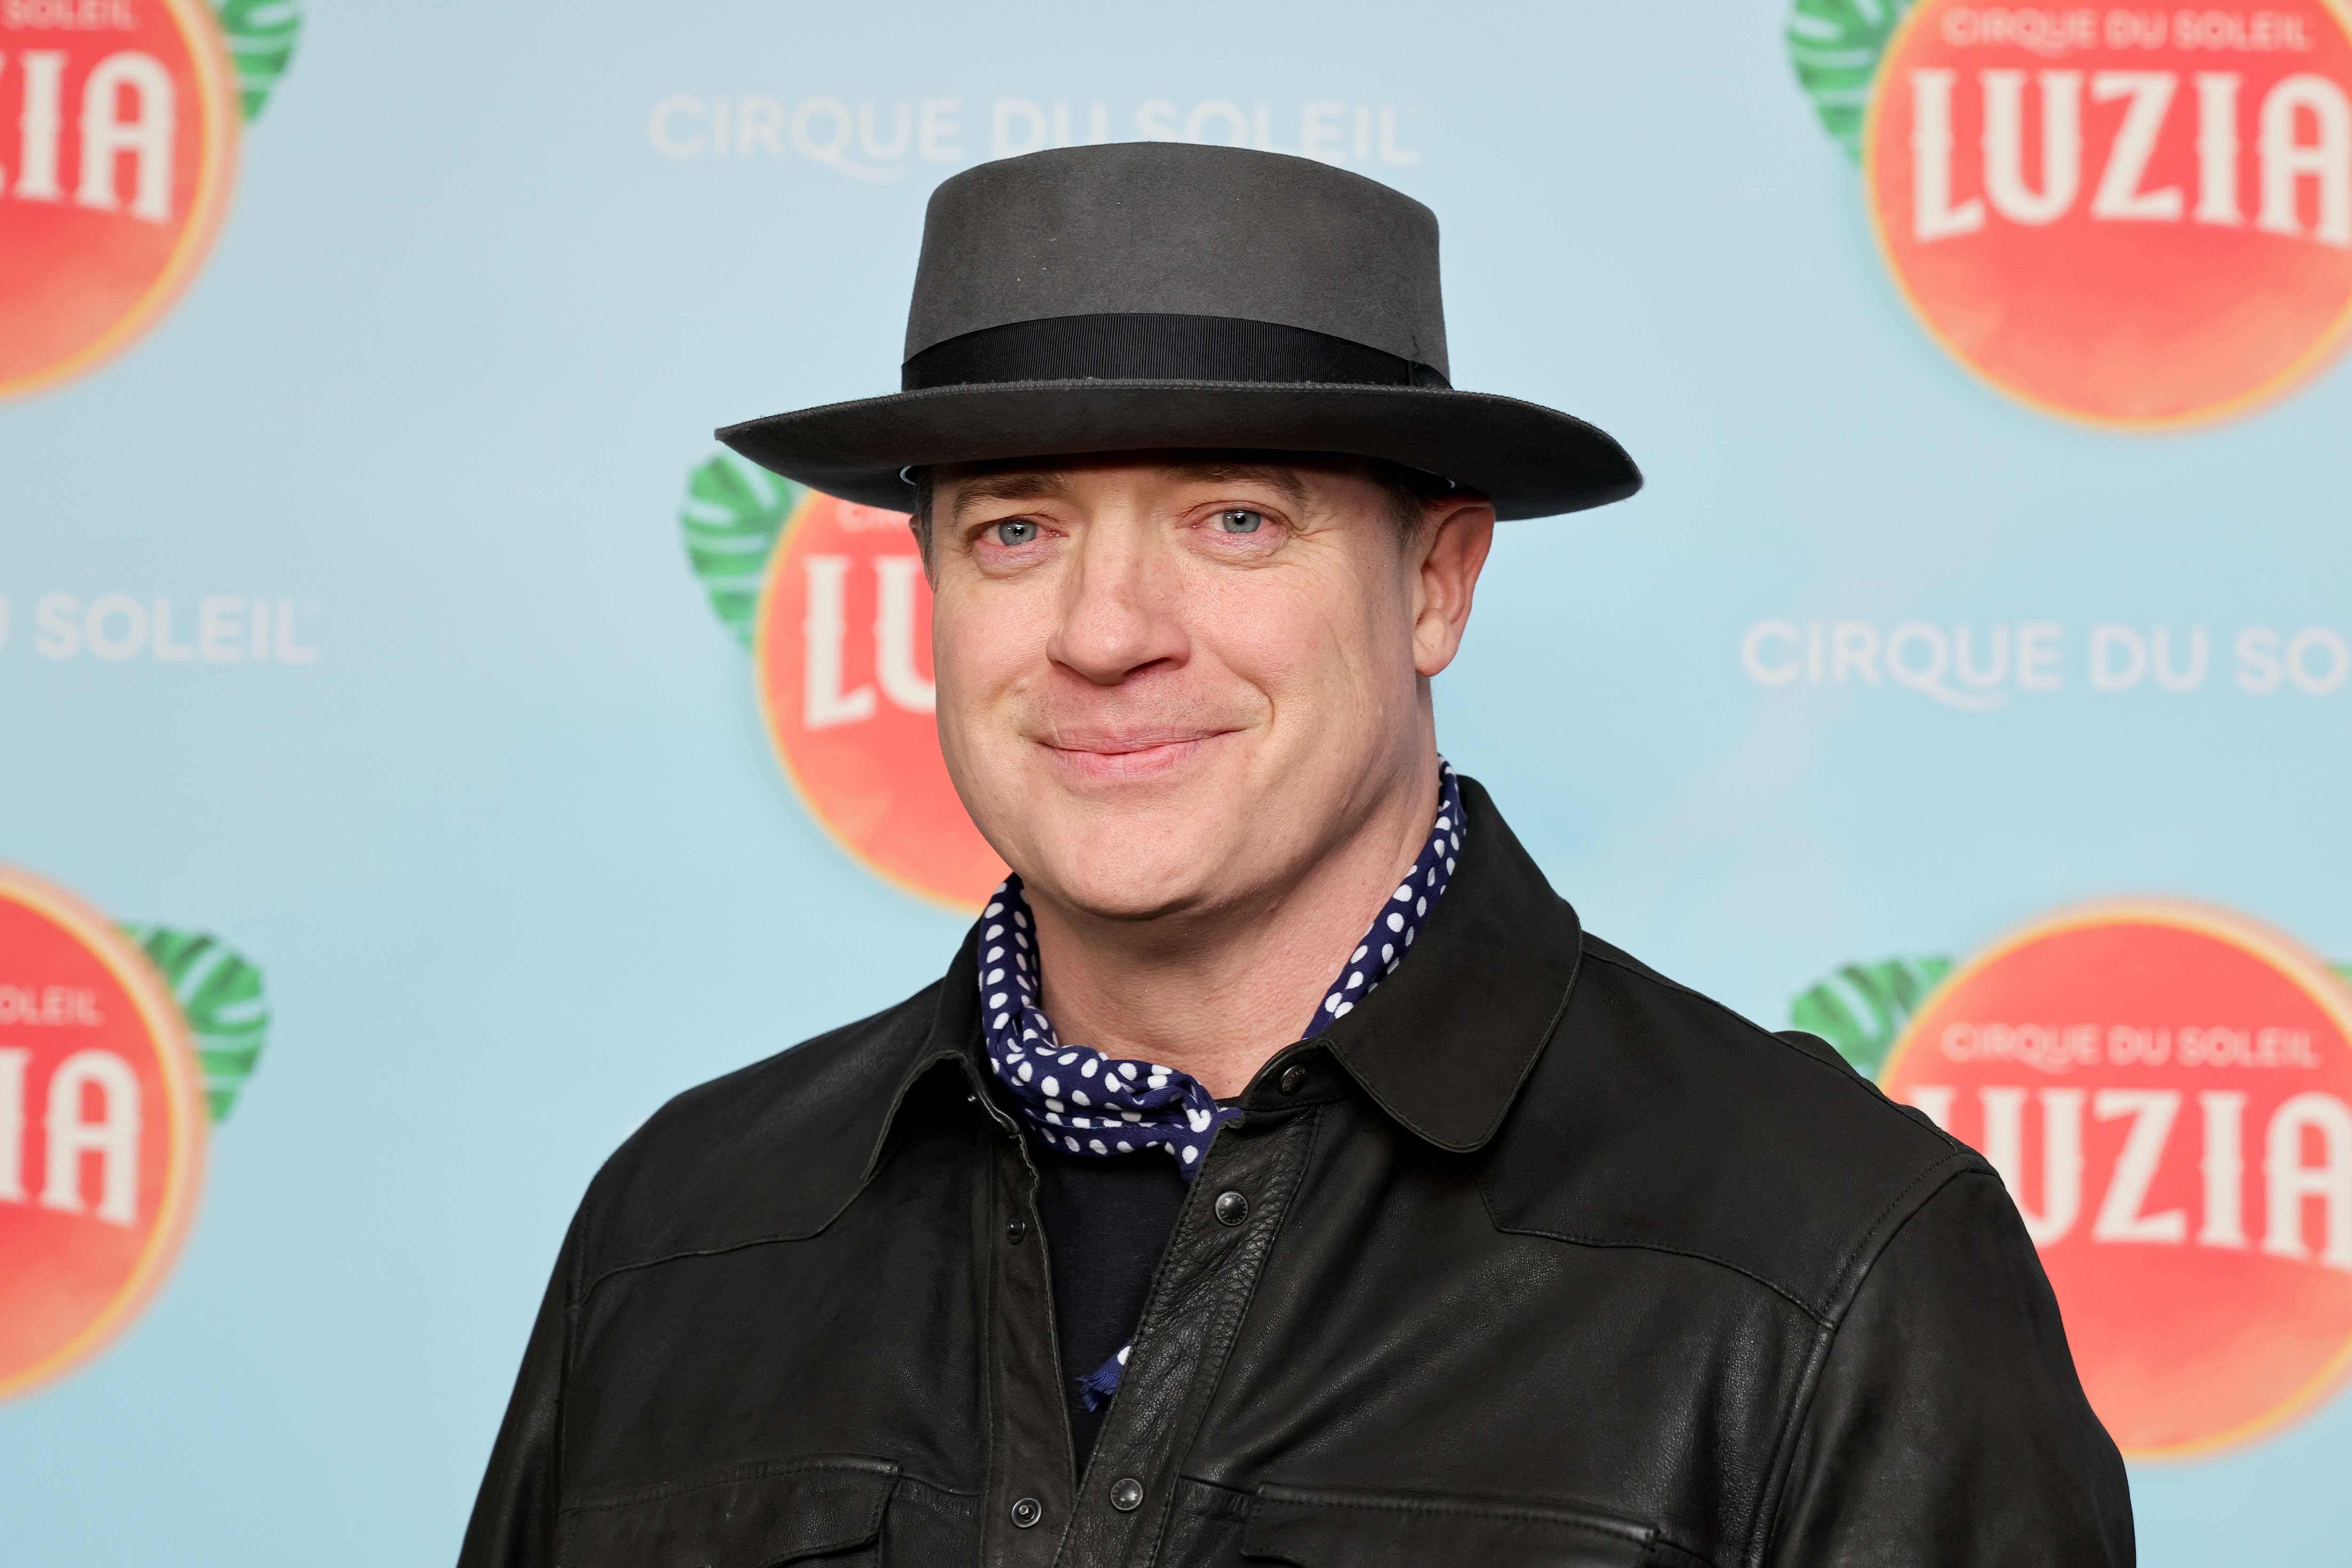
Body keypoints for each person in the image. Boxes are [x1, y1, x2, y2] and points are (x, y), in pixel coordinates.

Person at [461, 143, 2133, 1568]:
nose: (1107, 632)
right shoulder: (684, 1229)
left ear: (1437, 584)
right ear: (933, 592)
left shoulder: (1828, 1267)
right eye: (1019, 530)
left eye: (1236, 519)